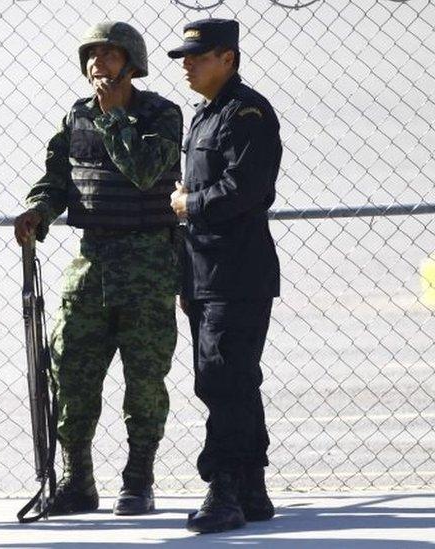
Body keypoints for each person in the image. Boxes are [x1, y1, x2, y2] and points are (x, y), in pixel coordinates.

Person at [14, 21, 183, 517]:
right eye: (92, 56)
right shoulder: (77, 117)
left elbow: (146, 171)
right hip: (91, 264)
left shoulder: (160, 114)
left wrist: (114, 119)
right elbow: (56, 181)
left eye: (109, 56)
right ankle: (76, 481)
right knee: (70, 373)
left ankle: (138, 480)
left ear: (131, 63)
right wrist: (37, 211)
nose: (98, 65)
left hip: (147, 264)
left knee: (145, 380)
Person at [167, 18, 281, 534]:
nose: (187, 64)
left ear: (227, 58)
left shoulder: (246, 113)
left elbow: (248, 188)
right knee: (233, 379)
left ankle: (225, 486)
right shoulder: (204, 116)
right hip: (203, 272)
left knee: (222, 379)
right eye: (185, 56)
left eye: (198, 55)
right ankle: (252, 488)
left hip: (237, 272)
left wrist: (189, 203)